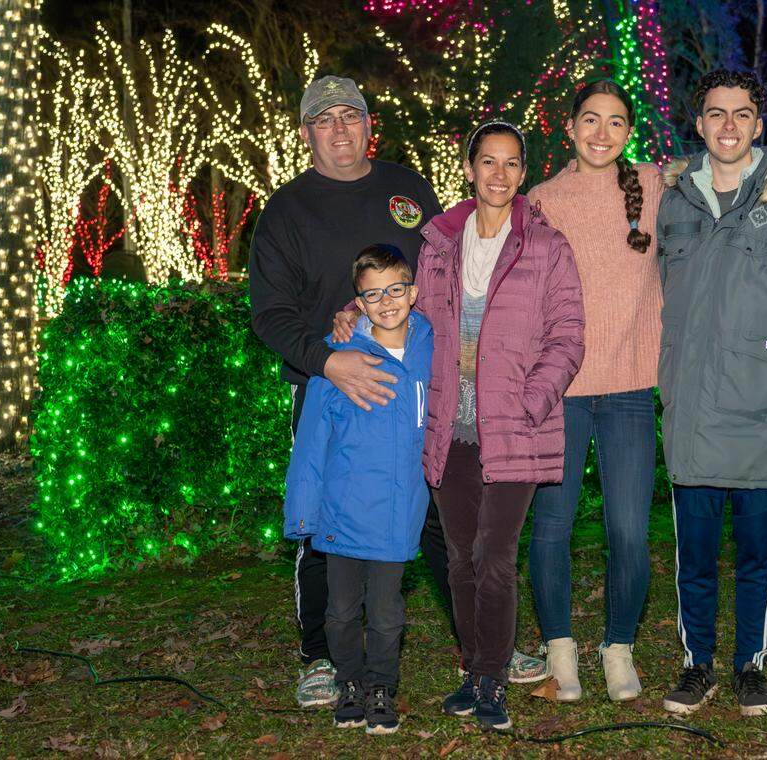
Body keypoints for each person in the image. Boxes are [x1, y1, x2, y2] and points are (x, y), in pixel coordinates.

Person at [248, 74, 452, 708]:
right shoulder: (286, 210)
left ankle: (482, 643)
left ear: (369, 125)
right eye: (325, 118)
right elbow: (269, 313)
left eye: (351, 115)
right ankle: (317, 655)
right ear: (307, 133)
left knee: (443, 516)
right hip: (331, 392)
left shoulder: (407, 189)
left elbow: (442, 275)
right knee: (323, 520)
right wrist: (328, 362)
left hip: (414, 387)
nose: (340, 128)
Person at [656, 69, 767, 717]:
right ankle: (696, 662)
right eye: (715, 113)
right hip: (694, 415)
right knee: (695, 556)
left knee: (756, 556)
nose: (728, 126)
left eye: (741, 114)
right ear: (698, 123)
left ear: (759, 124)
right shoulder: (673, 204)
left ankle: (750, 665)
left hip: (766, 416)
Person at [416, 121, 584, 731]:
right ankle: (473, 668)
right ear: (469, 167)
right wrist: (356, 309)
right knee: (459, 557)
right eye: (488, 162)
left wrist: (529, 401)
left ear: (522, 172)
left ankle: (492, 679)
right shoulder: (437, 243)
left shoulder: (546, 247)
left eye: (512, 164)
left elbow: (567, 337)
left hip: (514, 428)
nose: (499, 174)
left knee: (495, 557)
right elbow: (411, 318)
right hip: (451, 429)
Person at [525, 79, 663, 703]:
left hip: (632, 386)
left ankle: (618, 647)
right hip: (562, 387)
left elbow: (725, 168)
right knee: (551, 525)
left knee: (630, 530)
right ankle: (560, 649)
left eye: (615, 122)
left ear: (630, 132)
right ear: (570, 127)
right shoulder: (542, 200)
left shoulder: (654, 189)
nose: (601, 133)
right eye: (590, 120)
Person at [283, 245, 431, 735]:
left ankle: (381, 686)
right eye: (373, 294)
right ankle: (348, 681)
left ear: (413, 292)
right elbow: (311, 440)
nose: (386, 301)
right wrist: (304, 512)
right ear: (358, 303)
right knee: (342, 610)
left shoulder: (432, 344)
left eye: (394, 289)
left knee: (387, 611)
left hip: (398, 507)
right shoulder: (338, 355)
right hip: (343, 510)